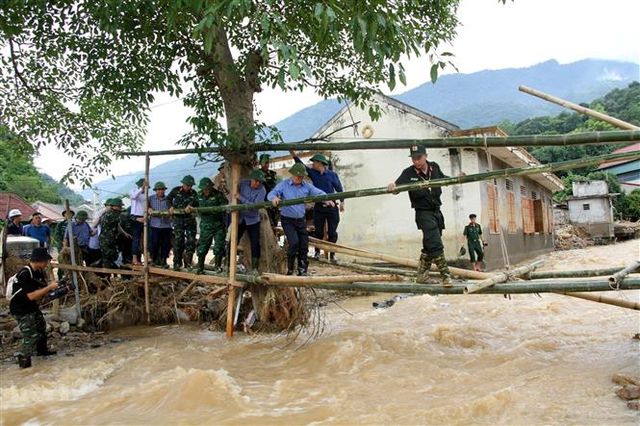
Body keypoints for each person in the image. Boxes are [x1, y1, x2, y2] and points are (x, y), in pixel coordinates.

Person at [387, 145, 453, 286]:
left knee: (429, 245)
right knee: (435, 243)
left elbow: (444, 179)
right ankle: (446, 276)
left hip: (437, 211)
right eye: (413, 158)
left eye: (418, 157)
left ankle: (421, 276)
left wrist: (457, 179)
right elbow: (397, 187)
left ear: (425, 156)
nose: (416, 161)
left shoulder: (434, 167)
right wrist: (392, 186)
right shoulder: (408, 173)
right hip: (423, 213)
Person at [268, 163, 326, 276]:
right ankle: (290, 269)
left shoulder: (306, 186)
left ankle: (302, 269)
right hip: (288, 220)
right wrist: (274, 198)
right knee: (294, 243)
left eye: (301, 176)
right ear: (292, 174)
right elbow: (271, 193)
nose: (299, 178)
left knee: (304, 245)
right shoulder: (283, 185)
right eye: (297, 176)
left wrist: (326, 199)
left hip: (300, 220)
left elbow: (318, 192)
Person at [9, 247, 59, 368]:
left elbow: (41, 289)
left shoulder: (38, 272)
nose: (47, 263)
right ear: (39, 260)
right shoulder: (25, 274)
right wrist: (49, 288)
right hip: (20, 308)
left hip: (31, 306)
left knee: (41, 325)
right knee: (31, 334)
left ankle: (42, 352)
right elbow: (31, 296)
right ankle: (23, 358)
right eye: (46, 261)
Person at [290, 150, 344, 262]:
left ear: (320, 163)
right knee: (318, 232)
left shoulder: (332, 175)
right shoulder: (313, 173)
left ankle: (332, 254)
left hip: (332, 207)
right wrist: (294, 155)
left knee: (332, 232)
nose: (312, 164)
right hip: (319, 207)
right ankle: (317, 252)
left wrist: (342, 202)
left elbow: (339, 189)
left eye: (314, 162)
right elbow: (302, 166)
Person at [195, 178, 228, 274]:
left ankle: (217, 266)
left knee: (219, 246)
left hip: (218, 225)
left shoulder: (218, 194)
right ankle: (200, 267)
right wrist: (190, 207)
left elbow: (224, 206)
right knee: (202, 247)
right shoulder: (199, 195)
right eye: (204, 189)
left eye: (207, 188)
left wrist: (215, 210)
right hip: (205, 225)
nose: (205, 190)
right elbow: (192, 204)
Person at [237, 170, 267, 272]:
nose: (257, 183)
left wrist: (241, 198)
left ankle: (254, 268)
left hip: (253, 219)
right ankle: (228, 263)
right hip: (240, 218)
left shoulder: (262, 190)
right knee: (233, 240)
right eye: (256, 181)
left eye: (259, 182)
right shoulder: (243, 184)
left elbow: (254, 207)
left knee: (255, 243)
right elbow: (234, 194)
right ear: (251, 179)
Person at [168, 175, 199, 270]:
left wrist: (191, 207)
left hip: (190, 220)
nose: (188, 187)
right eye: (187, 185)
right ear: (183, 184)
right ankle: (177, 263)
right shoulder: (175, 190)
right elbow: (168, 199)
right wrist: (171, 206)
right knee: (178, 241)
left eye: (190, 185)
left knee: (191, 241)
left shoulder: (194, 193)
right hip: (178, 220)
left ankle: (189, 263)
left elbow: (197, 203)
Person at [100, 198, 130, 269]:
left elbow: (117, 225)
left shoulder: (112, 213)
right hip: (106, 240)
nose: (120, 208)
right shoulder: (111, 214)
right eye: (119, 206)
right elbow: (119, 221)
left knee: (113, 256)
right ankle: (106, 276)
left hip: (111, 239)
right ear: (114, 206)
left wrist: (125, 233)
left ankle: (110, 275)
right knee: (107, 258)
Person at [148, 181, 172, 268]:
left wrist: (171, 210)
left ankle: (163, 261)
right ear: (155, 191)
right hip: (155, 225)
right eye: (158, 190)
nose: (160, 191)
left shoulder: (168, 199)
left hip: (166, 225)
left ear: (164, 190)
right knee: (154, 243)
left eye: (162, 190)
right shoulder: (150, 198)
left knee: (166, 244)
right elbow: (146, 207)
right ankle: (153, 259)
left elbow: (172, 207)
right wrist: (149, 209)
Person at [129, 178, 148, 265]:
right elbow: (133, 196)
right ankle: (134, 258)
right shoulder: (134, 191)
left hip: (144, 217)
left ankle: (147, 257)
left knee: (146, 239)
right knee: (136, 239)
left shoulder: (146, 195)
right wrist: (141, 188)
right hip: (136, 217)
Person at [259, 154, 280, 227]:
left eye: (267, 162)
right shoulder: (258, 174)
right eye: (264, 162)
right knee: (266, 221)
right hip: (264, 200)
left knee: (275, 221)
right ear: (260, 163)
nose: (266, 164)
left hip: (273, 199)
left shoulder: (273, 173)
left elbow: (277, 185)